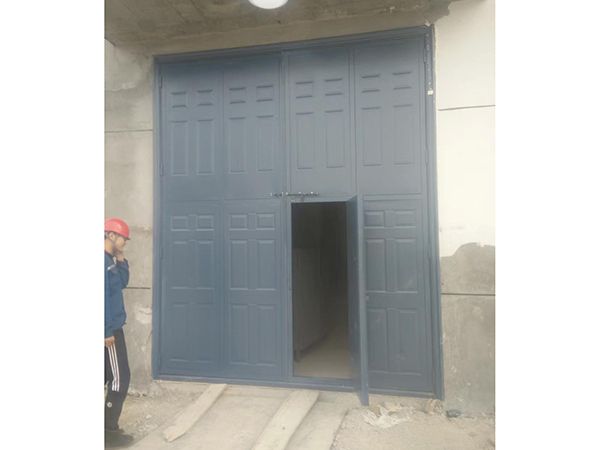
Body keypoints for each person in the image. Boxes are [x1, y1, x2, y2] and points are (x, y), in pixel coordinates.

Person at [104, 218, 134, 448]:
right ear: (111, 235)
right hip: (108, 331)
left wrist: (121, 260)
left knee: (108, 376)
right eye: (123, 238)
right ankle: (109, 431)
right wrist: (105, 331)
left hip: (112, 328)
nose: (125, 242)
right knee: (120, 379)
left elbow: (122, 283)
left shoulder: (111, 261)